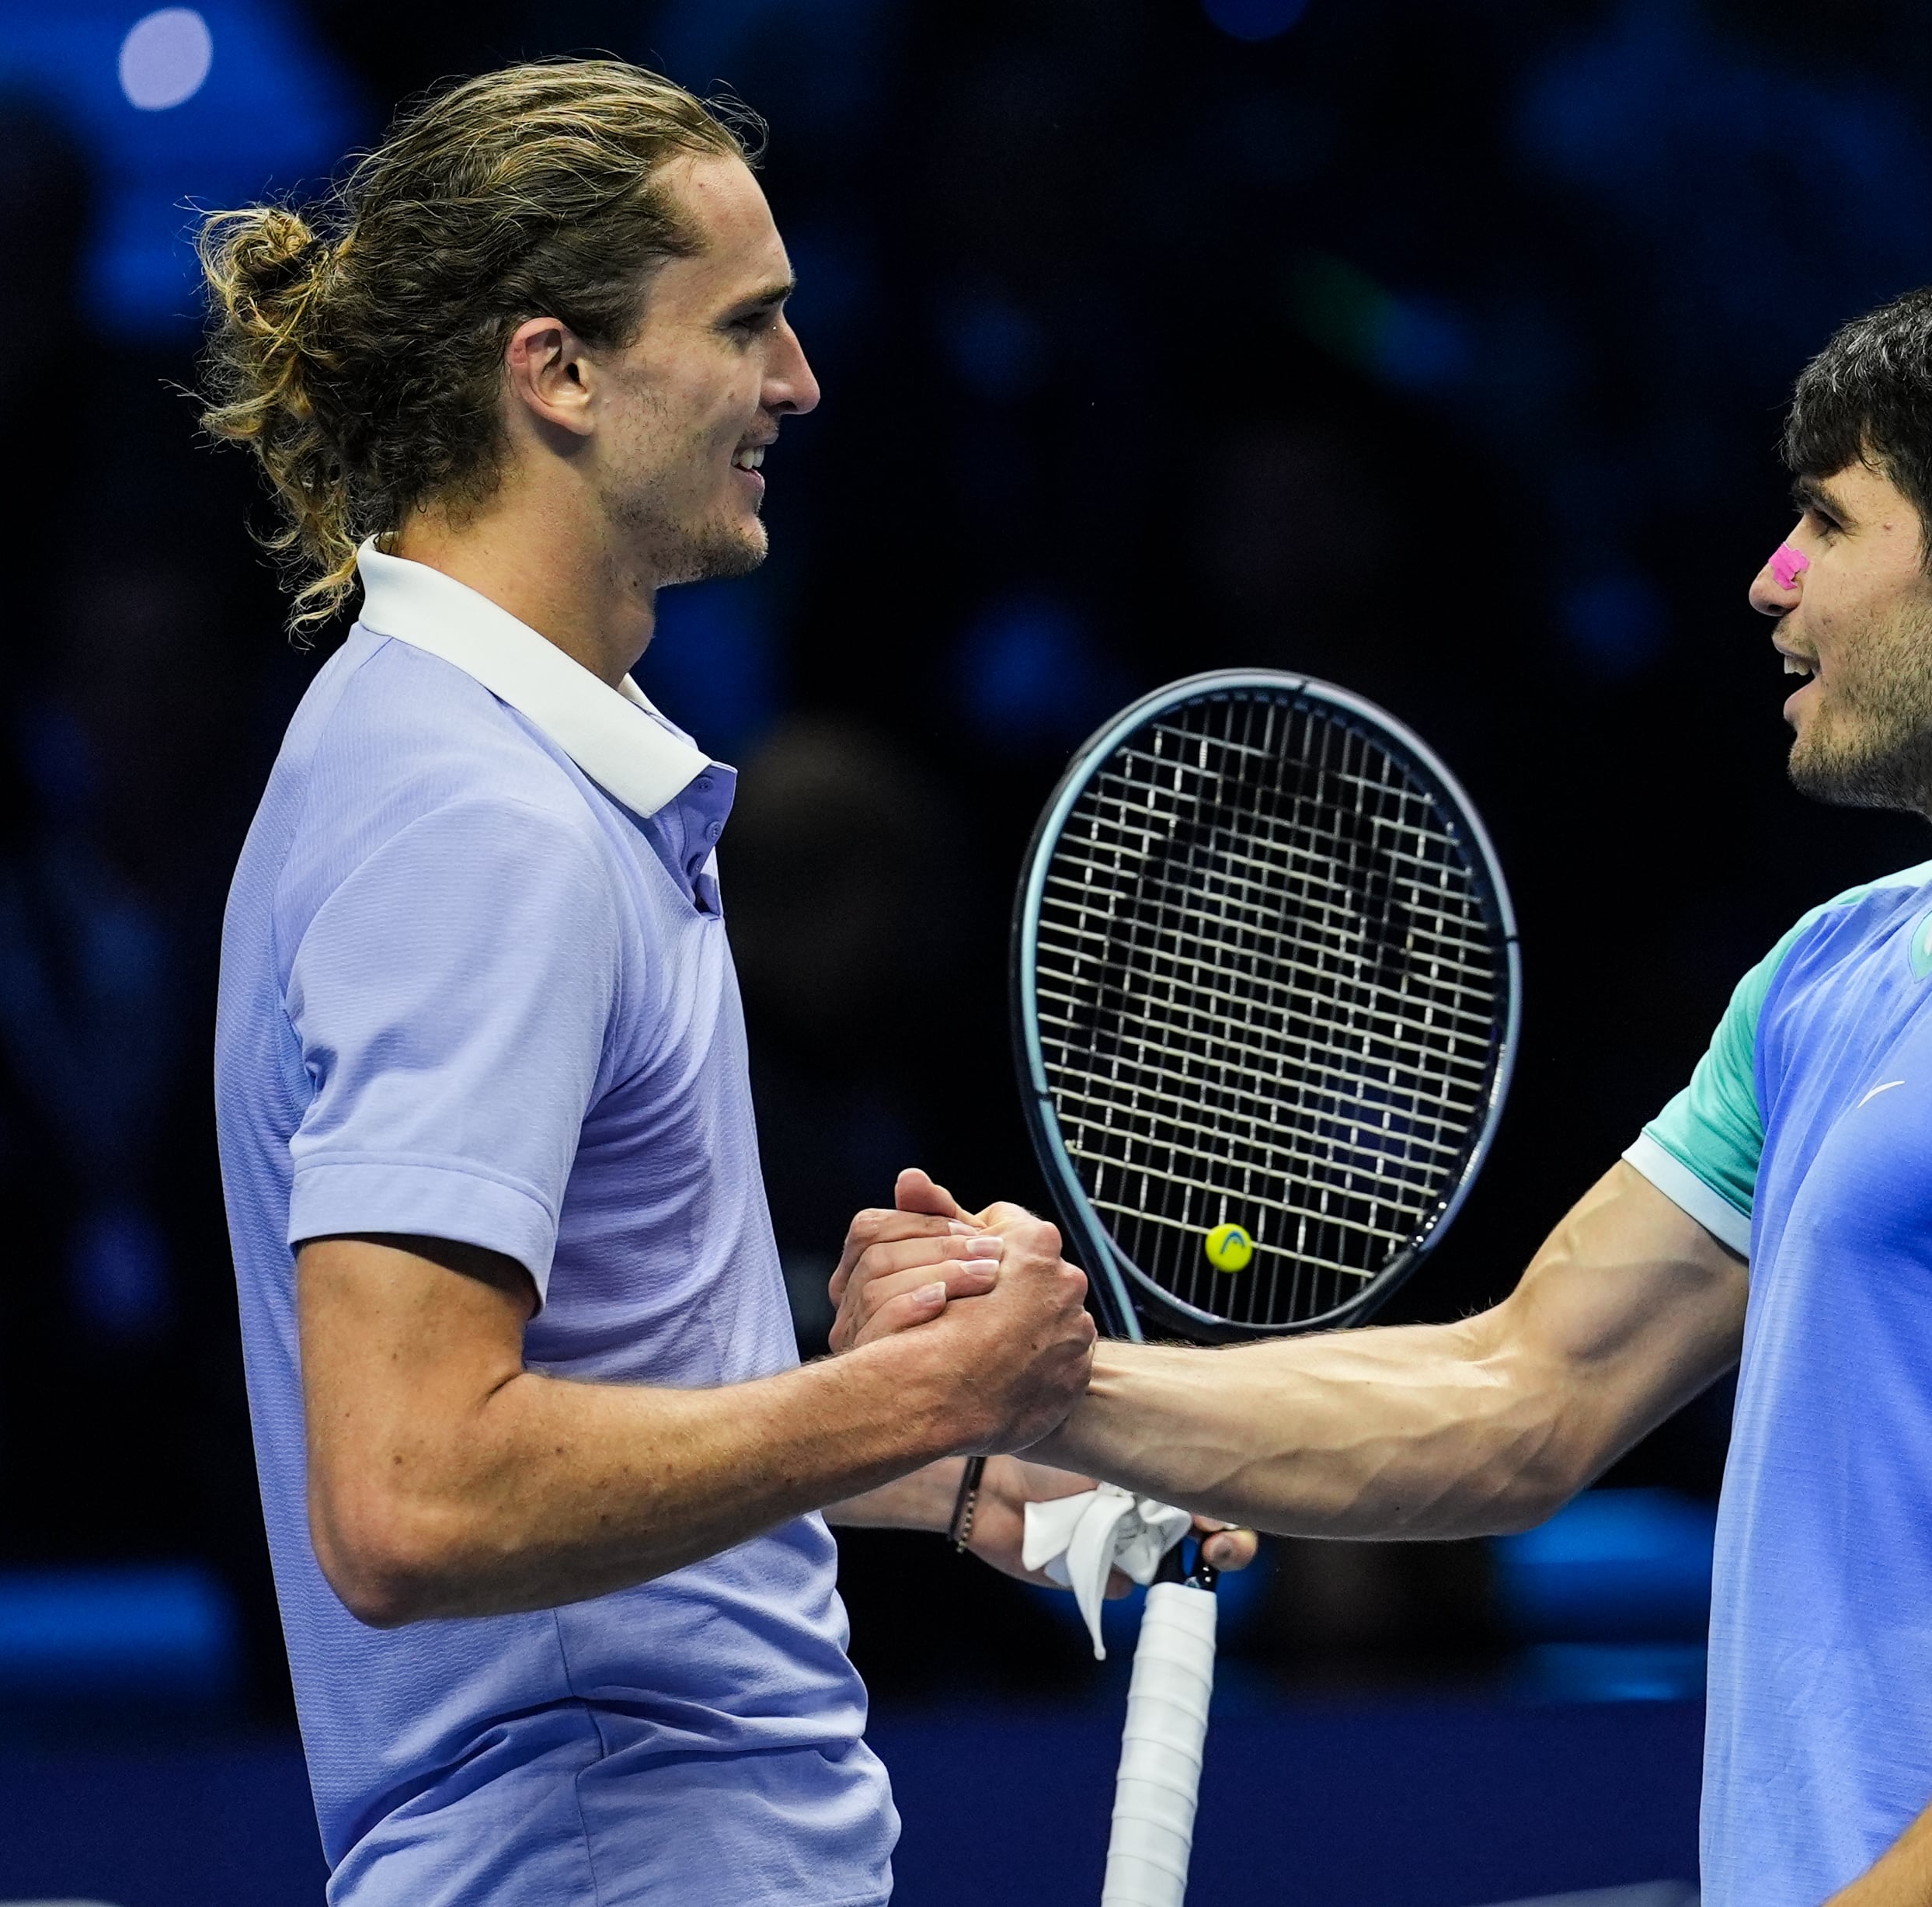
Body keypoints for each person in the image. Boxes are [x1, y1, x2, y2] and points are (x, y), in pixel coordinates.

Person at [888, 271, 1932, 1905]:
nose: (1772, 580)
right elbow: (1527, 1390)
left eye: (1827, 523)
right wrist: (1037, 1380)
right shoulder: (1840, 966)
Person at [198, 61, 1239, 1906]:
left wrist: (947, 1457)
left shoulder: (496, 768)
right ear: (558, 370)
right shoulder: (477, 819)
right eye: (747, 324)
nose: (800, 381)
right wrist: (910, 1402)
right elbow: (414, 1493)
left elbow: (572, 1415)